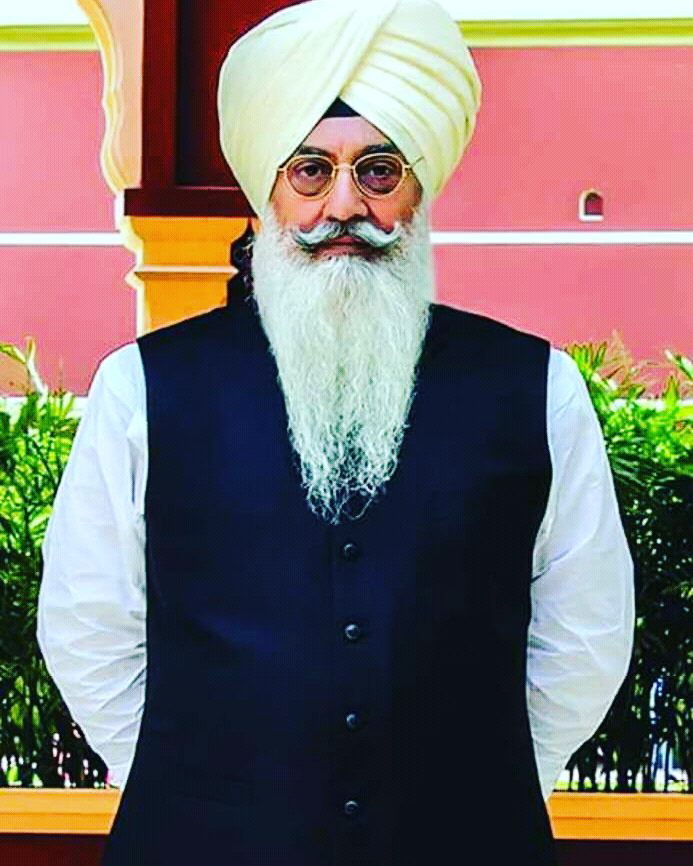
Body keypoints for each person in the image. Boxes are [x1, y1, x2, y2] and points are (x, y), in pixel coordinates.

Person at [37, 1, 635, 863]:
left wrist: (482, 785)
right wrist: (197, 789)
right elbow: (88, 626)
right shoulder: (139, 388)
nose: (344, 206)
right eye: (311, 172)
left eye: (379, 172)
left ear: (419, 189)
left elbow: (584, 634)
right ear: (269, 192)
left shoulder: (537, 387)